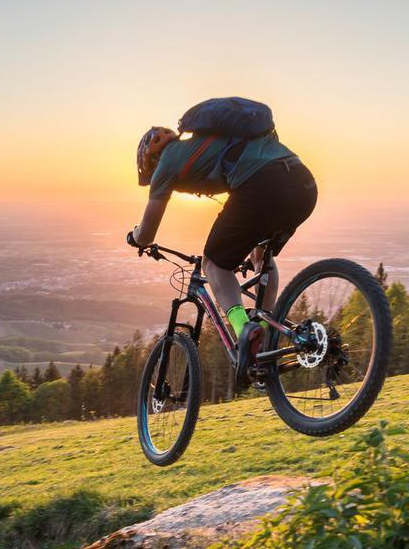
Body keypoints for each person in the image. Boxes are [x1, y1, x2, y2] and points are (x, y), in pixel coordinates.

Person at [127, 114, 317, 387]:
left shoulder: (167, 163)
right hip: (303, 184)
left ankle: (244, 328)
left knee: (214, 264)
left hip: (262, 184)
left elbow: (147, 233)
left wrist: (135, 237)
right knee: (261, 257)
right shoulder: (215, 142)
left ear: (150, 159)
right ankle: (262, 343)